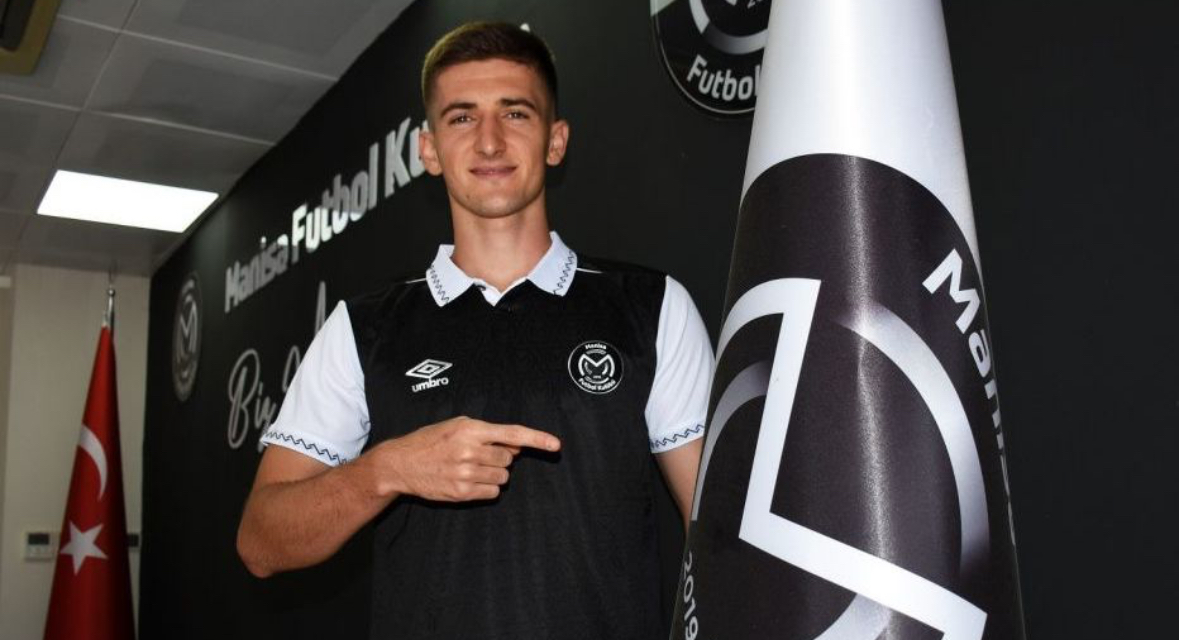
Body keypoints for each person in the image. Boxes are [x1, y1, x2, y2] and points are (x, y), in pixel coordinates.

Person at [237, 22, 713, 639]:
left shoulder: (652, 307)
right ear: (429, 149)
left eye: (515, 113)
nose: (489, 141)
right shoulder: (364, 327)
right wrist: (388, 469)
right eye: (462, 118)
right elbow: (262, 540)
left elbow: (719, 538)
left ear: (555, 141)